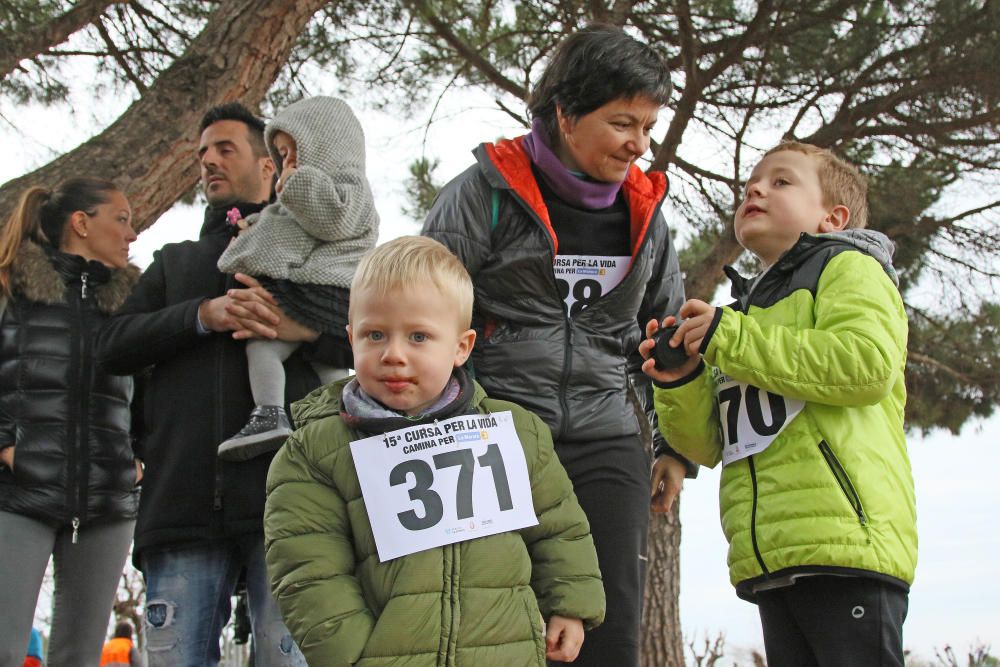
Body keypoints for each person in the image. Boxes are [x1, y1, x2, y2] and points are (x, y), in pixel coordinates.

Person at [421, 24, 694, 665]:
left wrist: (675, 448)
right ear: (566, 115)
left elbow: (671, 340)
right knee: (500, 625)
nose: (638, 144)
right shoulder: (482, 194)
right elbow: (423, 310)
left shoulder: (646, 215)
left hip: (609, 437)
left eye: (649, 128)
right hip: (495, 433)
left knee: (608, 629)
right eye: (623, 122)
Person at [264, 236, 605, 665]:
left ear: (461, 347)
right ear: (351, 339)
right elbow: (310, 574)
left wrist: (571, 605)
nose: (394, 354)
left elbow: (559, 527)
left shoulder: (516, 433)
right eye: (375, 334)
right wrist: (353, 656)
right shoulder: (313, 454)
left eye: (419, 336)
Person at [641, 141, 917, 666]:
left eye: (781, 181)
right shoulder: (741, 316)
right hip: (770, 558)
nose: (756, 188)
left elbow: (866, 365)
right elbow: (708, 442)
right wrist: (680, 378)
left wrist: (731, 338)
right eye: (751, 182)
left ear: (831, 218)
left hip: (845, 546)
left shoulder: (849, 266)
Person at [97, 102, 349, 667]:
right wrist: (203, 314)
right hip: (181, 506)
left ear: (268, 167)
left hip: (293, 508)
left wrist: (301, 329)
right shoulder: (174, 263)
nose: (207, 161)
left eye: (224, 149)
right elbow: (111, 347)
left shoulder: (315, 255)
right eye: (202, 153)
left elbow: (372, 342)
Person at [0, 178, 141, 666]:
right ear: (82, 224)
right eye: (121, 219)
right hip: (18, 493)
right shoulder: (12, 288)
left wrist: (139, 458)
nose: (132, 232)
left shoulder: (134, 307)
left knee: (79, 657)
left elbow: (154, 389)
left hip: (107, 499)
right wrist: (6, 446)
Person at [216, 95, 378, 461]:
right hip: (313, 292)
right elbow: (282, 227)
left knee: (303, 355)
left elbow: (333, 219)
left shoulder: (350, 189)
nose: (286, 165)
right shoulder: (298, 196)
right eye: (282, 156)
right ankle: (279, 414)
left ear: (325, 147)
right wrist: (254, 225)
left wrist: (298, 182)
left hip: (328, 293)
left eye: (293, 152)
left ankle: (342, 417)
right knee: (287, 352)